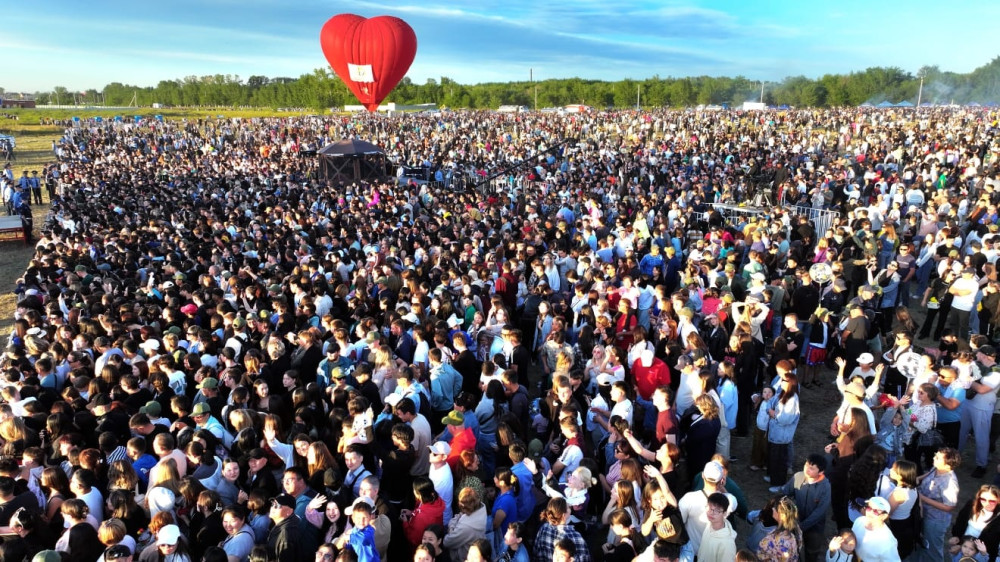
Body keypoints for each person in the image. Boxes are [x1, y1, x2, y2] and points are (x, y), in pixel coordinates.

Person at [776, 454, 831, 562]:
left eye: (812, 468)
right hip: (795, 522)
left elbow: (820, 512)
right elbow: (785, 493)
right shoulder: (798, 476)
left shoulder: (825, 487)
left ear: (820, 472)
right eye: (806, 465)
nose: (807, 469)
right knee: (793, 550)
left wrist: (802, 526)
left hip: (815, 527)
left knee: (812, 551)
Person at [917, 448, 961, 562]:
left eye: (937, 458)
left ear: (948, 465)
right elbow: (928, 474)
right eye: (935, 455)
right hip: (925, 514)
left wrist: (922, 498)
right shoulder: (936, 468)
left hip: (935, 520)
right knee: (924, 544)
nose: (933, 458)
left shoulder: (950, 483)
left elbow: (949, 506)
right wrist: (917, 478)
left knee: (933, 550)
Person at [851, 497, 899, 562]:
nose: (870, 512)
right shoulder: (859, 521)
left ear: (884, 516)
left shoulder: (888, 543)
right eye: (869, 508)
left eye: (876, 511)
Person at [756, 496, 802, 562]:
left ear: (780, 515)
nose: (773, 509)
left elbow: (760, 555)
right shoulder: (797, 529)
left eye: (775, 508)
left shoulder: (774, 539)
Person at [698, 493, 737, 562]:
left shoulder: (727, 545)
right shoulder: (710, 523)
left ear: (725, 513)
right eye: (709, 508)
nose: (711, 513)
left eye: (717, 510)